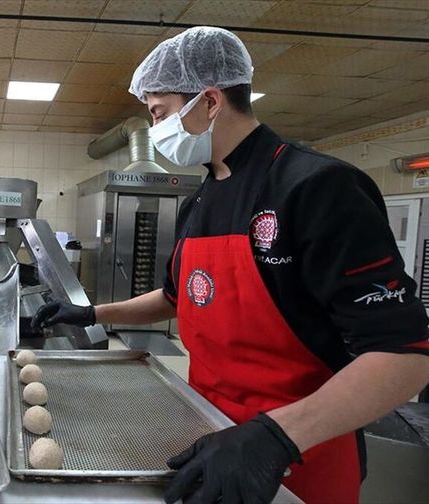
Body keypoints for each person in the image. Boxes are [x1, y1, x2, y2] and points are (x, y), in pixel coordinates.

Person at [33, 26, 429, 504]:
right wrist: (94, 313)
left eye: (159, 113)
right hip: (205, 431)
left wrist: (277, 436)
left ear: (211, 102)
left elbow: (405, 357)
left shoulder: (317, 187)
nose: (157, 129)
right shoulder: (199, 200)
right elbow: (178, 297)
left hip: (299, 451)